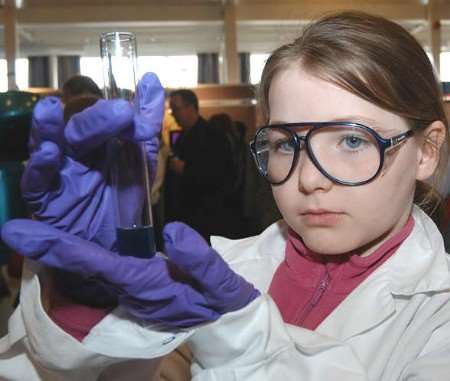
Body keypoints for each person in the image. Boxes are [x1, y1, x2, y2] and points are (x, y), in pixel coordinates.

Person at [2, 11, 450, 381]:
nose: (310, 179)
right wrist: (85, 301)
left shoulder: (439, 314)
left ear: (426, 151)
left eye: (352, 141)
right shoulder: (223, 268)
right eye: (285, 144)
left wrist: (240, 335)